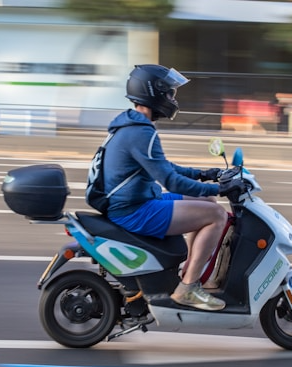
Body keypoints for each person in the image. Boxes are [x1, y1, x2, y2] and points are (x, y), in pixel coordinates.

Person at [100, 64, 237, 311]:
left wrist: (205, 174)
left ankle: (188, 273)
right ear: (155, 92)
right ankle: (188, 288)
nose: (173, 98)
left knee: (208, 205)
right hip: (133, 209)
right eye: (170, 93)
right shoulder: (140, 132)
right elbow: (170, 180)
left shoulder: (131, 126)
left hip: (136, 200)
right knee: (216, 215)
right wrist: (218, 189)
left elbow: (164, 166)